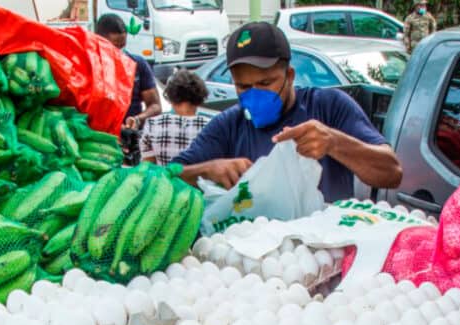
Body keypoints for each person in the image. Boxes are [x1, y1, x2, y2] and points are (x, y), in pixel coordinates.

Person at [172, 22, 402, 203]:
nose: (255, 94)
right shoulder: (229, 125)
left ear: (290, 76)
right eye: (243, 86)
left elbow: (392, 173)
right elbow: (167, 177)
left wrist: (334, 142)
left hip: (325, 251)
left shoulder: (329, 106)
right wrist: (207, 170)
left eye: (265, 83)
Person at [96, 14, 162, 130]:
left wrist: (138, 119)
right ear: (100, 41)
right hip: (101, 137)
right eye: (116, 46)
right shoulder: (91, 67)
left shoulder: (138, 64)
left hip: (132, 134)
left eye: (123, 45)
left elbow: (155, 106)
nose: (120, 51)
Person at [140, 69, 210, 166]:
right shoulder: (210, 126)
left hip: (164, 180)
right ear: (200, 97)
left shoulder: (153, 124)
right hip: (196, 180)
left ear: (170, 98)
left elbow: (148, 166)